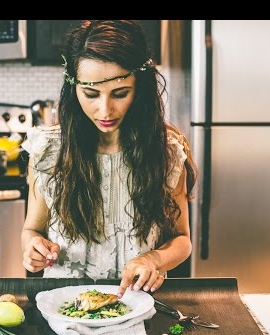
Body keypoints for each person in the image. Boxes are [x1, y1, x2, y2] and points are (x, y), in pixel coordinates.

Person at [21, 20, 197, 298]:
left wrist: (154, 260)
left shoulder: (167, 152)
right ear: (73, 88)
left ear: (140, 88)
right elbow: (32, 228)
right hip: (62, 301)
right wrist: (33, 248)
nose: (105, 110)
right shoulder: (48, 152)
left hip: (136, 302)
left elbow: (182, 240)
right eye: (90, 94)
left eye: (120, 93)